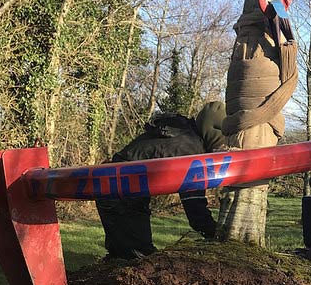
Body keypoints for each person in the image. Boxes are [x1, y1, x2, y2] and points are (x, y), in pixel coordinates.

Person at [96, 102, 226, 259]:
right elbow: (195, 210)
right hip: (121, 195)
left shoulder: (179, 131)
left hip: (112, 187)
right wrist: (218, 234)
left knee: (121, 255)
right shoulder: (191, 151)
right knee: (139, 259)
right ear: (215, 132)